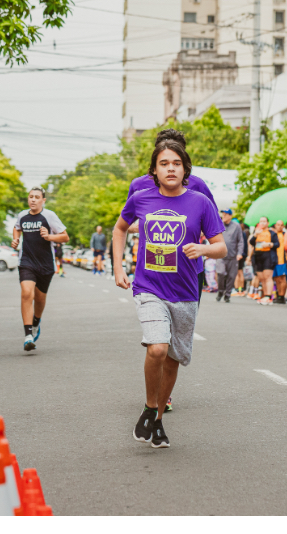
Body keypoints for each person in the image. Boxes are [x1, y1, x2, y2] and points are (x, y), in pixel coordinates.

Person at [113, 138, 226, 449]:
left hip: (186, 291)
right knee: (158, 349)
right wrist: (118, 268)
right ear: (154, 169)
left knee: (174, 359)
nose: (170, 168)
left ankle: (157, 418)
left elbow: (221, 246)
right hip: (149, 287)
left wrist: (204, 248)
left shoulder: (200, 202)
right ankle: (150, 406)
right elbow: (120, 227)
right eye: (164, 163)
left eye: (176, 163)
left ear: (185, 168)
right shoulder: (140, 197)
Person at [126, 129, 219, 303]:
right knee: (157, 324)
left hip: (188, 269)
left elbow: (212, 225)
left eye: (177, 159)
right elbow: (126, 225)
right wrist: (155, 224)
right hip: (151, 270)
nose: (171, 167)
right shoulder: (138, 185)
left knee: (183, 328)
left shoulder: (197, 185)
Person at [12, 187, 69, 351]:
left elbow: (65, 236)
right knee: (26, 292)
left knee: (40, 298)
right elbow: (16, 228)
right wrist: (15, 239)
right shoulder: (22, 215)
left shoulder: (49, 216)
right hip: (26, 261)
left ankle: (36, 321)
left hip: (45, 264)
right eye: (31, 197)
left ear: (43, 200)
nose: (33, 199)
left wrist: (49, 236)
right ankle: (28, 334)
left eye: (37, 197)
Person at [246, 217, 279, 306]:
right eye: (261, 221)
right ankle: (265, 295)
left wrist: (269, 244)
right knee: (261, 277)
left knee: (268, 276)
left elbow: (277, 244)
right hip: (258, 256)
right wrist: (255, 235)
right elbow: (251, 242)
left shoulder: (272, 233)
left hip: (268, 255)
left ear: (268, 223)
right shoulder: (257, 232)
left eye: (264, 221)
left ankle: (269, 296)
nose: (262, 223)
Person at [215, 209, 244, 303]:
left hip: (233, 255)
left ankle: (227, 295)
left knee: (232, 276)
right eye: (223, 214)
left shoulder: (236, 226)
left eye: (226, 214)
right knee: (221, 273)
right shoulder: (219, 224)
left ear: (230, 216)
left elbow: (240, 241)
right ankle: (220, 291)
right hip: (221, 255)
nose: (224, 216)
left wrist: (240, 253)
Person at [272, 220, 287, 304]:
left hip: (282, 259)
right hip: (274, 259)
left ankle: (282, 296)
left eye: (281, 225)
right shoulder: (273, 235)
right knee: (277, 279)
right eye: (278, 225)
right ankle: (279, 295)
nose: (279, 226)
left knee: (282, 278)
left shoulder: (285, 235)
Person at [233, 221, 250, 296]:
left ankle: (237, 289)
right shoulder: (243, 233)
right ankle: (241, 289)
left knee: (236, 272)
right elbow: (245, 245)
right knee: (240, 272)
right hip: (242, 254)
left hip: (237, 255)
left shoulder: (237, 233)